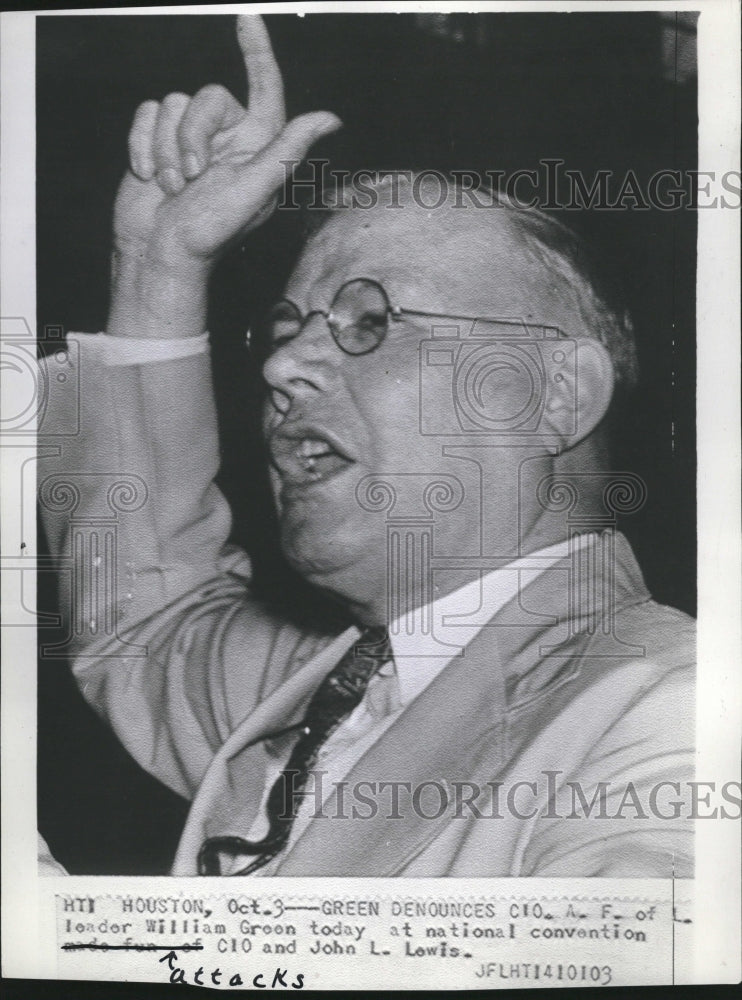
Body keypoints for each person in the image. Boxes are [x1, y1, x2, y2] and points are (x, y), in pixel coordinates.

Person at [40, 15, 694, 877]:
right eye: (285, 325)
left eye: (369, 320)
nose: (281, 363)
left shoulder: (671, 712)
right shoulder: (334, 682)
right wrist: (159, 266)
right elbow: (143, 615)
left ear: (554, 395)